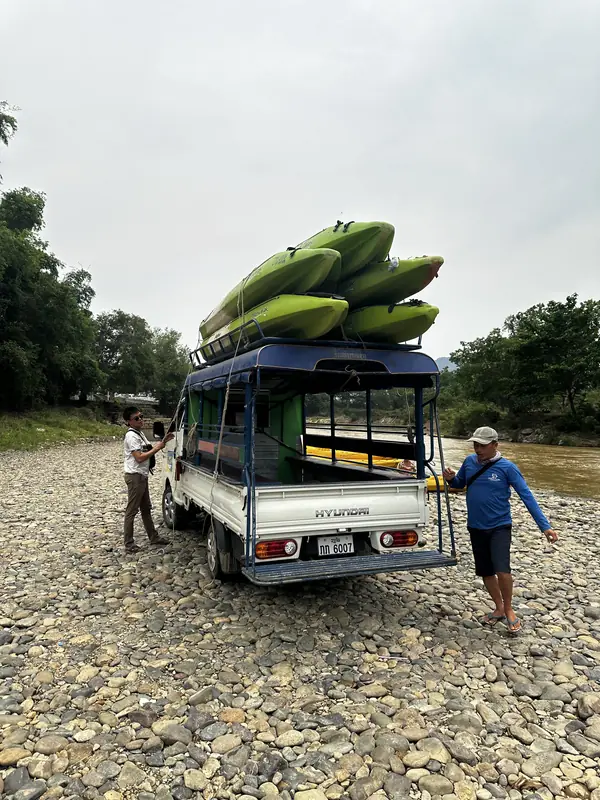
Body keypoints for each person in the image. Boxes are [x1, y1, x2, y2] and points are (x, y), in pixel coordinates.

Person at [443, 426, 558, 633]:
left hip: (499, 526)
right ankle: (498, 608)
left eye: (483, 446)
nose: (478, 449)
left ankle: (509, 609)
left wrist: (545, 526)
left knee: (502, 570)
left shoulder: (507, 468)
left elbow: (526, 496)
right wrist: (451, 478)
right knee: (486, 571)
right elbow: (460, 484)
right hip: (475, 526)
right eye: (476, 445)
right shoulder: (469, 462)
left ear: (495, 445)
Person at [123, 406, 173, 553]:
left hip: (142, 476)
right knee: (131, 510)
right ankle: (129, 543)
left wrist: (163, 441)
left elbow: (147, 449)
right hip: (135, 476)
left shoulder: (139, 434)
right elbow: (139, 458)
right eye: (136, 418)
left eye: (141, 416)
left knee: (146, 508)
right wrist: (158, 448)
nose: (141, 420)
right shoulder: (131, 436)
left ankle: (154, 537)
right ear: (128, 422)